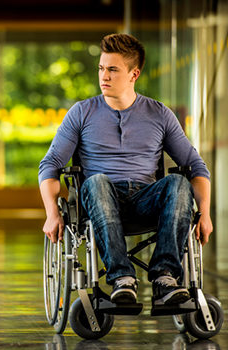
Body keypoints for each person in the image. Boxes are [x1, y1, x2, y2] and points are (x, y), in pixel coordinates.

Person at [38, 33, 213, 305]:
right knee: (95, 182)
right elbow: (50, 165)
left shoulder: (160, 114)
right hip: (100, 199)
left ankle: (165, 277)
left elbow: (197, 166)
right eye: (101, 68)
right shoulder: (81, 113)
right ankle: (121, 278)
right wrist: (51, 213)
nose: (103, 76)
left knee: (178, 182)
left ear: (134, 74)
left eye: (112, 70)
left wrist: (205, 214)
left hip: (146, 200)